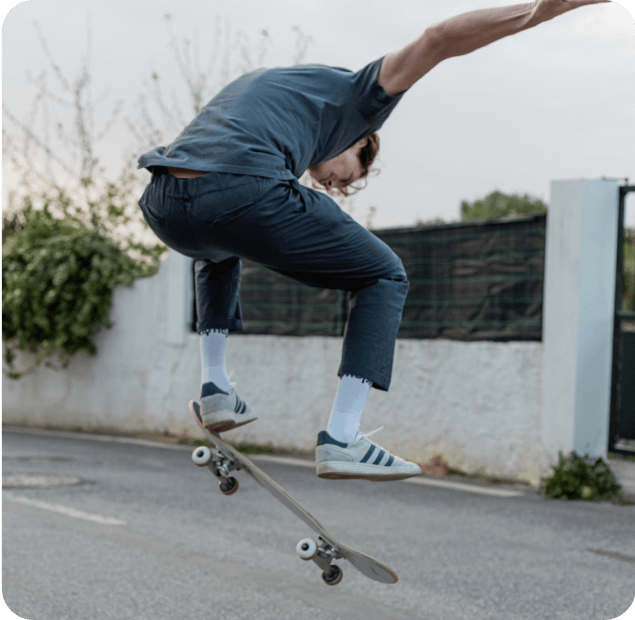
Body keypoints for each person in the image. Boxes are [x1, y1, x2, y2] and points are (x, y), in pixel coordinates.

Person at [138, 0, 611, 481]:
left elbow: (213, 181)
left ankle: (216, 387)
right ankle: (343, 436)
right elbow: (437, 39)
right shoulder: (358, 97)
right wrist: (541, 10)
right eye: (346, 178)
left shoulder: (272, 87)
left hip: (164, 203)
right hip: (240, 191)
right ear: (363, 139)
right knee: (384, 273)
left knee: (218, 248)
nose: (333, 186)